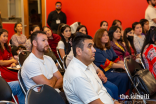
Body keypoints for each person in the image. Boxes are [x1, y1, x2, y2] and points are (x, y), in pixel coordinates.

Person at [63, 34, 120, 104]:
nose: (94, 50)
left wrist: (114, 101)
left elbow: (101, 91)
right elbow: (95, 102)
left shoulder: (88, 63)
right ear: (79, 51)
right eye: (90, 46)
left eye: (93, 46)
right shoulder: (77, 75)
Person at [21, 31, 67, 102]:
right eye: (43, 40)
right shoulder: (30, 63)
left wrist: (50, 84)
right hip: (42, 100)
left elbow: (60, 80)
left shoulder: (49, 58)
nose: (47, 43)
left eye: (47, 40)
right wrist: (54, 79)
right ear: (34, 43)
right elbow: (49, 85)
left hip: (55, 94)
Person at [93, 29, 130, 96]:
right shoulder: (96, 50)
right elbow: (108, 64)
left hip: (113, 70)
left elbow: (116, 60)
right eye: (103, 35)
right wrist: (122, 66)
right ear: (98, 37)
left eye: (107, 35)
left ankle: (125, 95)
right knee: (124, 76)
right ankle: (120, 96)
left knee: (128, 74)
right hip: (104, 73)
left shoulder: (109, 47)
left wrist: (126, 64)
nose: (106, 37)